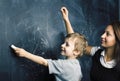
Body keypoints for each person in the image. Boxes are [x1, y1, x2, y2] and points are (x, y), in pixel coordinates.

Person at [61, 6, 120, 81]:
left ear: (117, 39)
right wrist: (66, 20)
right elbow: (76, 43)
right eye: (103, 33)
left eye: (108, 34)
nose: (102, 36)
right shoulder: (97, 52)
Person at [11, 32, 88, 81]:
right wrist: (66, 19)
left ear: (76, 52)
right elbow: (74, 40)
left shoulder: (63, 65)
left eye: (66, 44)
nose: (62, 45)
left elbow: (43, 62)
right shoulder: (77, 64)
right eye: (64, 42)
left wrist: (25, 54)